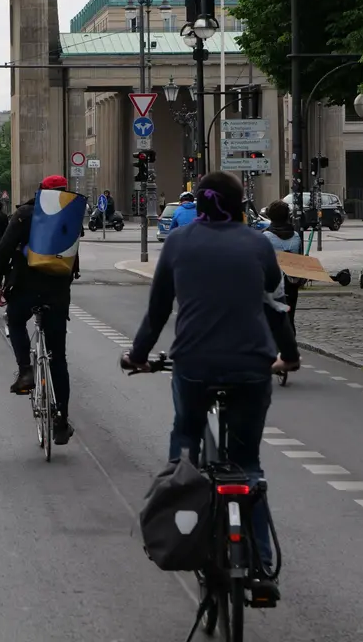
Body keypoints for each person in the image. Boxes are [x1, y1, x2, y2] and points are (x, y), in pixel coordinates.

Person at [123, 172, 299, 578]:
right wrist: (287, 356)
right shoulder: (257, 243)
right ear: (240, 206)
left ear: (197, 205)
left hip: (194, 364)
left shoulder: (179, 242)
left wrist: (137, 355)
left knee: (185, 439)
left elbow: (158, 311)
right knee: (247, 464)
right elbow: (273, 303)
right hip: (252, 365)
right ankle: (261, 564)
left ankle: (178, 527)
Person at [0, 175, 79, 445]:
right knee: (58, 358)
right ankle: (61, 419)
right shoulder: (71, 212)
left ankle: (25, 369)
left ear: (41, 191)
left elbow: (4, 249)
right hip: (57, 291)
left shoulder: (25, 213)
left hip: (25, 287)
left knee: (15, 322)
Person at [261, 200, 303, 370]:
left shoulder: (265, 237)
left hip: (272, 283)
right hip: (291, 282)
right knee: (289, 316)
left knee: (268, 317)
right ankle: (290, 347)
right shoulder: (297, 236)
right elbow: (301, 260)